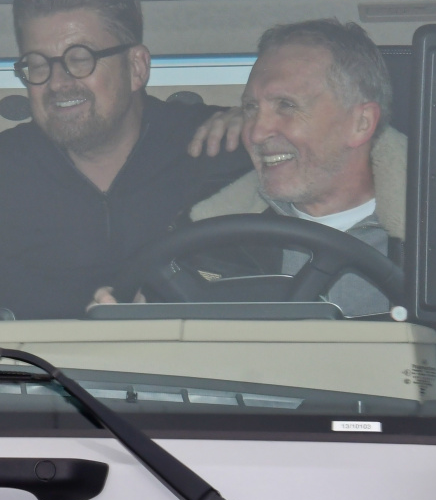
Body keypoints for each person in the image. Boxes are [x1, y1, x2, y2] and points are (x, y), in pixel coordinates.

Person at [0, 0, 251, 318]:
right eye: (37, 65)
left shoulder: (217, 142)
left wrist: (259, 123)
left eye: (80, 60)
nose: (57, 83)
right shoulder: (1, 170)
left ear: (136, 67)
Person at [97, 19, 403, 316]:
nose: (256, 132)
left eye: (286, 105)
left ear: (361, 123)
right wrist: (137, 318)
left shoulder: (426, 244)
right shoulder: (207, 241)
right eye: (250, 108)